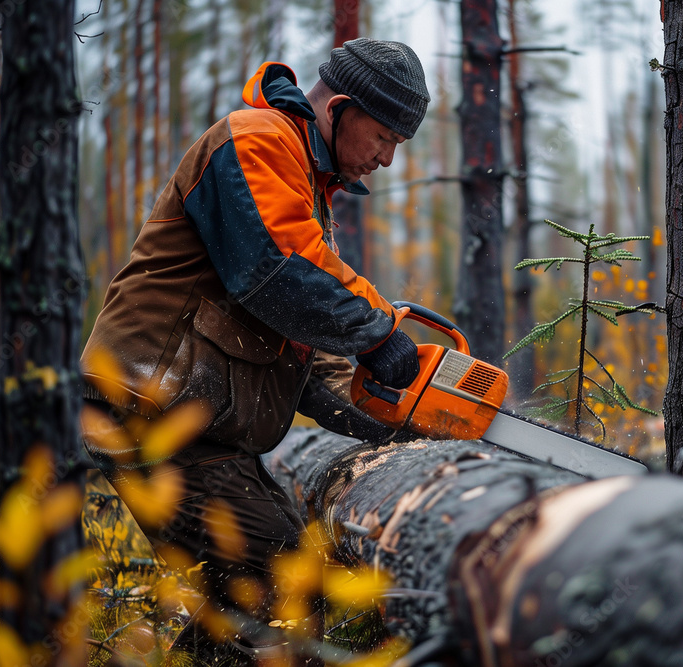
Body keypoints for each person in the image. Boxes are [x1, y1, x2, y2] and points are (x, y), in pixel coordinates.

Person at [79, 38, 430, 664]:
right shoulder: (255, 140)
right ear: (341, 109)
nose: (385, 159)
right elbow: (278, 270)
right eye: (383, 139)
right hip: (149, 410)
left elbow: (299, 341)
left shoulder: (301, 179)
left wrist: (387, 418)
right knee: (277, 583)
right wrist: (379, 333)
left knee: (272, 587)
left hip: (200, 428)